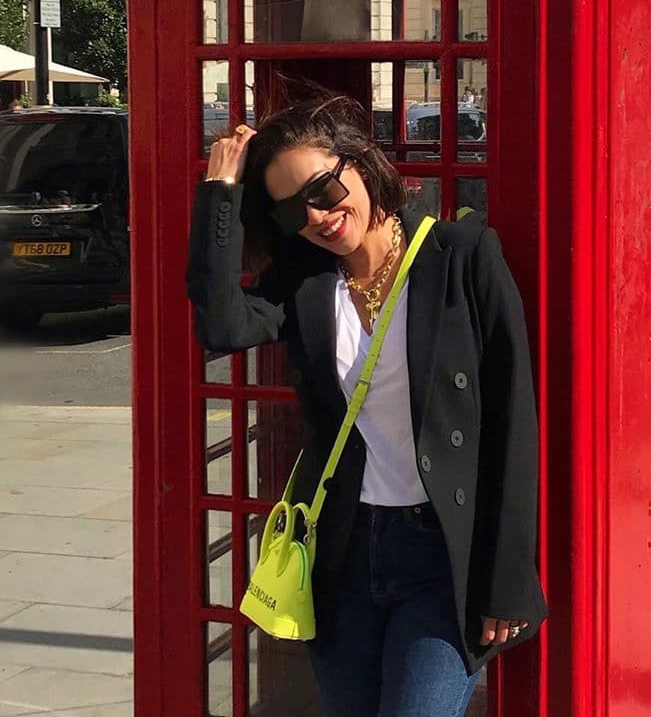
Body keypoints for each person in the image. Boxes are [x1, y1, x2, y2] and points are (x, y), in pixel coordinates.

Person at [186, 93, 546, 717]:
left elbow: (515, 424)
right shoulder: (306, 286)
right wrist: (220, 190)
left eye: (324, 189)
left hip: (442, 557)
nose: (319, 216)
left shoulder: (463, 258)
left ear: (359, 162)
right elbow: (220, 324)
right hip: (344, 555)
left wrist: (508, 580)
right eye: (294, 210)